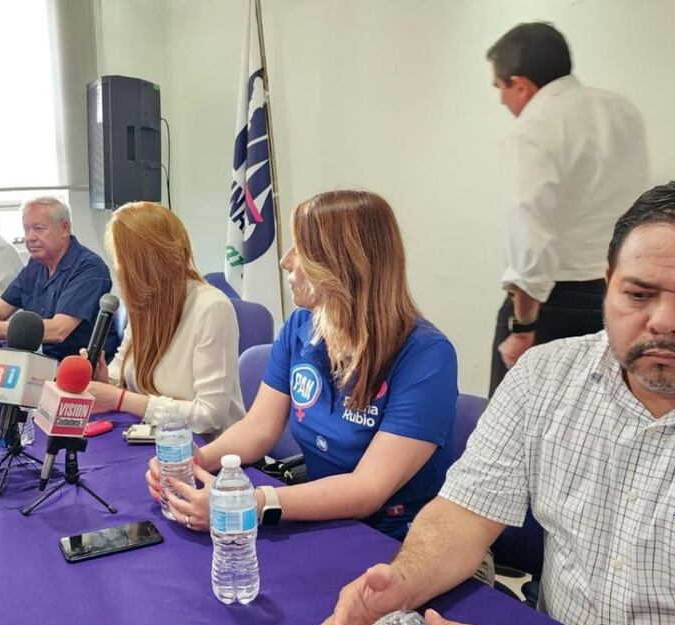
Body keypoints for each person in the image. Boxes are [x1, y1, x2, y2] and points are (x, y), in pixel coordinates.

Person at [298, 181, 675, 625]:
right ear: (607, 282)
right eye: (638, 293)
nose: (664, 320)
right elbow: (463, 516)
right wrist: (401, 582)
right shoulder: (545, 376)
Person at [151, 190, 458, 541]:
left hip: (399, 540)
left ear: (341, 265)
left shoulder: (427, 356)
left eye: (300, 248)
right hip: (324, 521)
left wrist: (255, 502)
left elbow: (368, 489)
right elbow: (258, 429)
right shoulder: (302, 326)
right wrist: (194, 462)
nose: (285, 261)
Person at [487, 22, 649, 395]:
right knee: (592, 420)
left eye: (500, 88)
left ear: (521, 85)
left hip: (552, 302)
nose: (501, 100)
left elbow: (529, 227)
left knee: (513, 427)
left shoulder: (533, 127)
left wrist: (523, 327)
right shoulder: (621, 111)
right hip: (619, 293)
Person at [86, 202, 244, 437]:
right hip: (152, 438)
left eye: (120, 260)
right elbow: (121, 374)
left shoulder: (211, 308)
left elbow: (209, 417)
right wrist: (105, 383)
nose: (117, 269)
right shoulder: (145, 303)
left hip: (207, 450)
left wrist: (120, 399)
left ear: (145, 264)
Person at [0, 197, 117, 360]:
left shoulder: (90, 268)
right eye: (26, 229)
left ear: (64, 228)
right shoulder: (35, 265)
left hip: (80, 367)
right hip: (44, 360)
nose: (29, 238)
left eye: (38, 229)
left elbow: (58, 330)